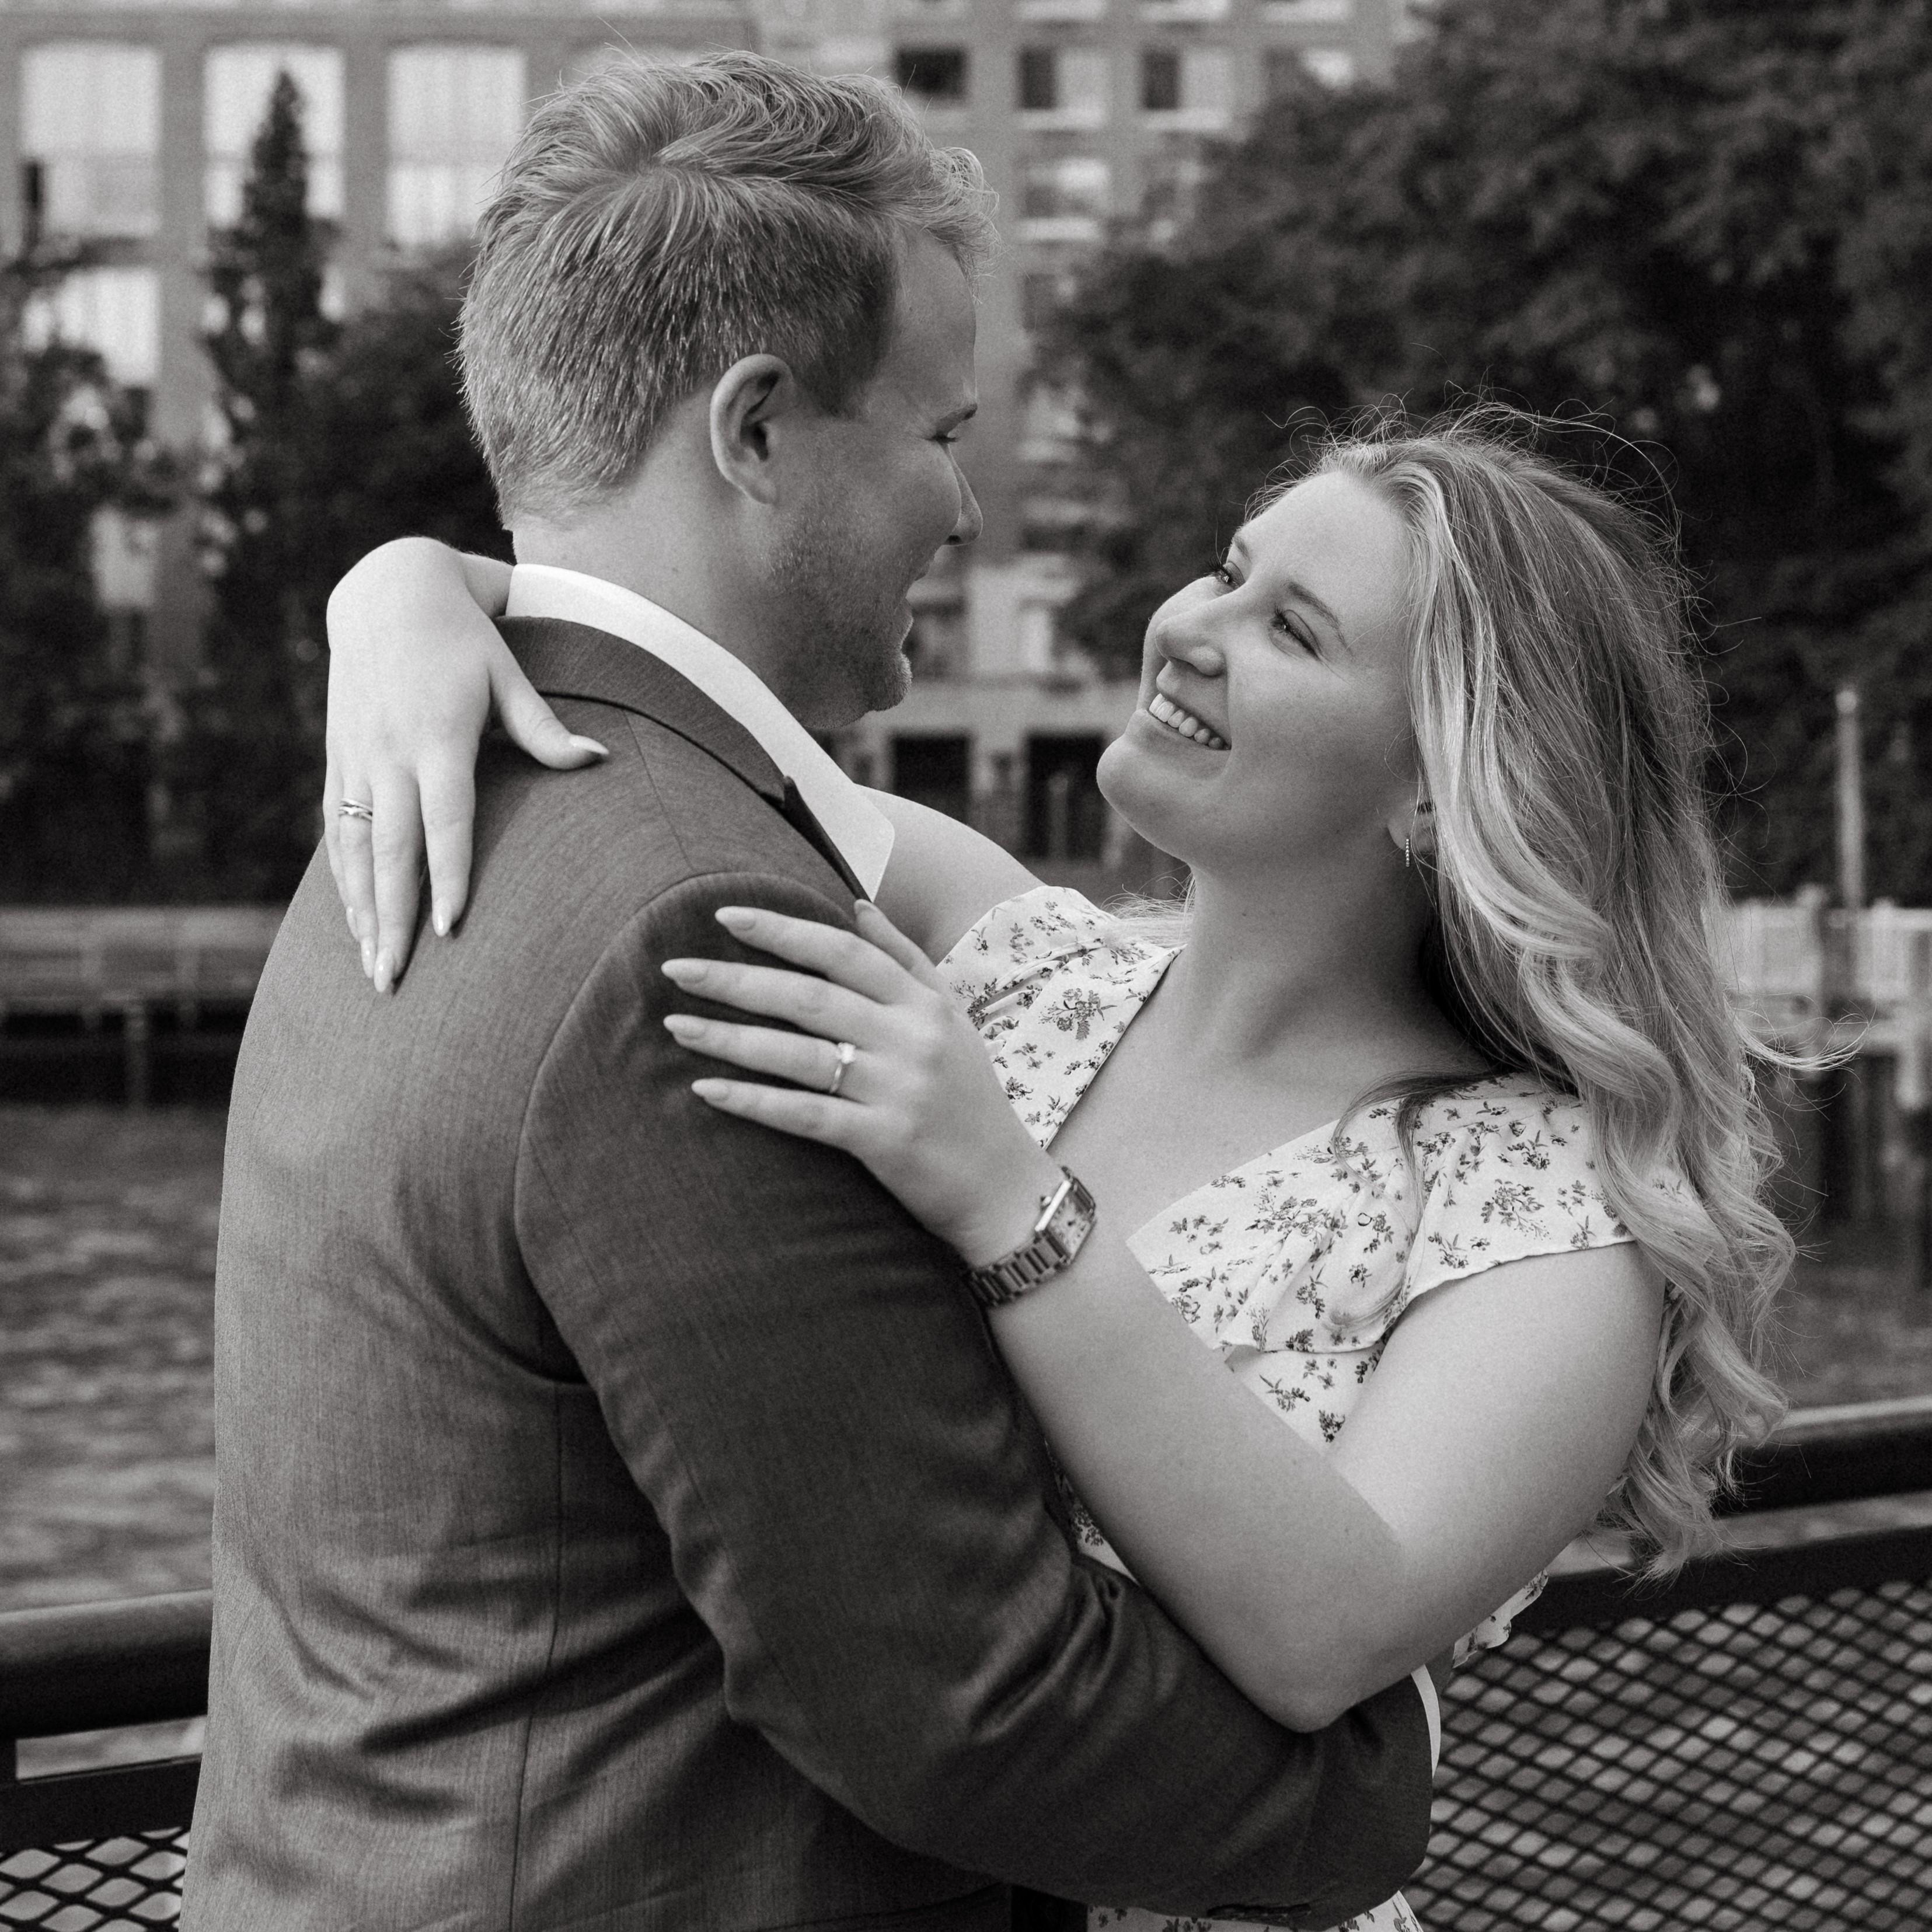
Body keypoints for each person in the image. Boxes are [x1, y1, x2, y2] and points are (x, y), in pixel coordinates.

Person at [189, 51, 1443, 1932]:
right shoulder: (696, 921)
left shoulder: (417, 796)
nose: (964, 502)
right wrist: (1377, 1798)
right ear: (758, 431)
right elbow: (962, 1703)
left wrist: (401, 583)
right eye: (940, 430)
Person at [324, 407, 1795, 1932]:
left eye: (1290, 628)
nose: (1191, 628)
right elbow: (670, 742)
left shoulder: (1545, 1205)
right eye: (1228, 569)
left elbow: (1329, 1629)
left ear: (1435, 785)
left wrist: (1008, 1198)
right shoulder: (1008, 958)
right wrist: (398, 595)